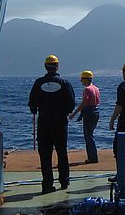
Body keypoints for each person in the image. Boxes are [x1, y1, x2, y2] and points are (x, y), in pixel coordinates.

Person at [28, 54, 76, 194]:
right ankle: (64, 181)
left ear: (45, 66)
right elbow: (71, 105)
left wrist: (38, 108)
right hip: (60, 123)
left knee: (45, 155)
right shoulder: (65, 83)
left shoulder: (38, 83)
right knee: (62, 152)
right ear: (57, 66)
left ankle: (47, 185)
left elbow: (32, 104)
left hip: (44, 123)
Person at [69, 70, 100, 164]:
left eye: (82, 79)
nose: (81, 81)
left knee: (88, 136)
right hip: (96, 111)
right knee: (90, 134)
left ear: (85, 79)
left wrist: (74, 114)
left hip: (89, 112)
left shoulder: (87, 89)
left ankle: (92, 157)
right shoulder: (96, 88)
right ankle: (93, 156)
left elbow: (84, 102)